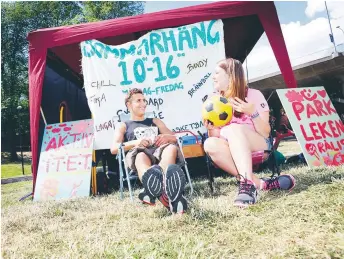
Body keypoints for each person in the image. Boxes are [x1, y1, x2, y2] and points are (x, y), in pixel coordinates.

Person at [203, 58, 295, 207]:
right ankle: (259, 184)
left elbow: (266, 133)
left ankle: (246, 184)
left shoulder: (254, 94)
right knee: (209, 143)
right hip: (230, 148)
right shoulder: (214, 101)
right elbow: (216, 139)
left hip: (257, 143)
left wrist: (252, 113)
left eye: (216, 73)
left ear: (230, 76)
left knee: (232, 128)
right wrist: (211, 127)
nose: (213, 77)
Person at [110, 88, 187, 214]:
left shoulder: (155, 121)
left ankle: (152, 190)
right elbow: (114, 148)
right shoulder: (123, 125)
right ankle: (169, 194)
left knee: (172, 148)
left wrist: (166, 137)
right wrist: (136, 142)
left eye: (144, 100)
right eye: (138, 101)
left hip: (159, 151)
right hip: (139, 152)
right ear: (129, 105)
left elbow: (174, 138)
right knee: (140, 156)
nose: (143, 104)